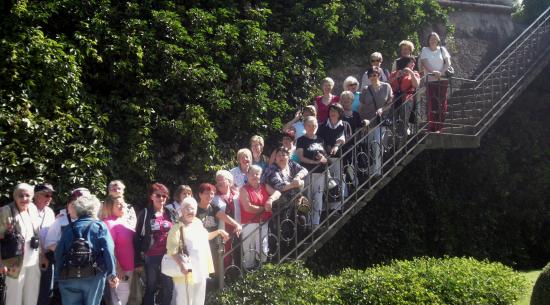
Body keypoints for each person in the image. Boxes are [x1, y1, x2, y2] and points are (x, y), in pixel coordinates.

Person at [54, 194, 119, 305]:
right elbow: (109, 250)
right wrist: (112, 273)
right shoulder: (99, 226)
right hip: (94, 276)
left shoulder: (68, 228)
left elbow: (59, 253)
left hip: (69, 276)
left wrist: (57, 275)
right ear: (95, 209)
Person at [166, 197, 221, 305]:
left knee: (199, 301)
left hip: (201, 269)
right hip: (186, 272)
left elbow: (206, 236)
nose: (191, 211)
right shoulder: (176, 228)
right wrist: (182, 266)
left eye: (193, 208)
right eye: (187, 208)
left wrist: (218, 231)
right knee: (184, 301)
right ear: (181, 210)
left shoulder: (197, 222)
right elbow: (172, 251)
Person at [134, 183, 176, 305]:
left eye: (164, 196)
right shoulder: (145, 213)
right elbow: (137, 238)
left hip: (168, 256)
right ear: (151, 197)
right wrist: (138, 262)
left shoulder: (170, 212)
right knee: (151, 287)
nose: (161, 198)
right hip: (151, 257)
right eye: (158, 195)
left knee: (168, 287)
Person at [0, 183, 41, 305]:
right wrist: (1, 263)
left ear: (32, 196)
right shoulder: (6, 211)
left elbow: (37, 235)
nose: (24, 199)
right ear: (14, 197)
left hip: (33, 262)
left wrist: (42, 256)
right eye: (20, 195)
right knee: (14, 299)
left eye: (27, 195)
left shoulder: (33, 209)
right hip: (13, 263)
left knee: (31, 298)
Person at [196, 183, 241, 283]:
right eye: (206, 193)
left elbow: (224, 216)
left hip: (214, 243)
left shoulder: (213, 207)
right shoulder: (194, 209)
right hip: (200, 244)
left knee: (217, 268)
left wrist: (236, 225)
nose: (210, 196)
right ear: (200, 195)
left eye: (212, 193)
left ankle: (217, 291)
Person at [239, 165, 281, 269]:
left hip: (263, 223)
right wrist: (264, 208)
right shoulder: (244, 189)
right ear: (247, 175)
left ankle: (261, 271)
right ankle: (248, 273)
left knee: (263, 249)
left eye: (257, 174)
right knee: (249, 250)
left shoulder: (264, 186)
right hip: (248, 223)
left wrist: (270, 200)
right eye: (252, 173)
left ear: (260, 176)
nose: (254, 176)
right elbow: (247, 207)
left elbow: (278, 193)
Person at [359, 66, 393, 177]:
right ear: (368, 77)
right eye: (371, 75)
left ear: (379, 75)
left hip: (380, 120)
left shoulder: (386, 87)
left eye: (375, 74)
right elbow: (362, 105)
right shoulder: (365, 89)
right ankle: (373, 167)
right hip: (369, 121)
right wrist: (363, 120)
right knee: (370, 146)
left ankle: (378, 170)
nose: (373, 77)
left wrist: (382, 109)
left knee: (378, 145)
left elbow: (390, 102)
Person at [102, 195, 136, 305]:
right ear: (110, 207)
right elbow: (108, 248)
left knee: (124, 298)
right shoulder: (109, 223)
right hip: (118, 269)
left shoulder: (124, 221)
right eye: (118, 204)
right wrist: (118, 268)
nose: (122, 205)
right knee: (118, 299)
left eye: (123, 203)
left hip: (129, 267)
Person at [296, 116, 328, 229]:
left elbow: (325, 156)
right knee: (307, 198)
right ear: (305, 126)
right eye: (309, 125)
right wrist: (314, 162)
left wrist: (323, 158)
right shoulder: (301, 140)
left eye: (314, 125)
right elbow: (301, 157)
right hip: (307, 172)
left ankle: (316, 223)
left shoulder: (320, 139)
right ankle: (307, 222)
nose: (312, 127)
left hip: (320, 173)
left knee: (318, 197)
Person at [419, 32, 452, 132]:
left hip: (442, 79)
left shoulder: (442, 49)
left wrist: (441, 73)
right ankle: (432, 126)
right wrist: (433, 72)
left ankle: (440, 127)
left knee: (442, 103)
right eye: (431, 38)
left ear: (438, 40)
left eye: (435, 38)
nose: (433, 40)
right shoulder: (425, 50)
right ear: (428, 40)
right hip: (431, 80)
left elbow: (448, 63)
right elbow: (425, 63)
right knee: (432, 103)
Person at [389, 56, 420, 146]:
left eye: (414, 63)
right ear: (405, 63)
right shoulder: (395, 73)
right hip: (395, 99)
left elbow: (416, 84)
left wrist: (410, 72)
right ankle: (394, 140)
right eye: (411, 62)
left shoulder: (415, 73)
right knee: (391, 120)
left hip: (407, 99)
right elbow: (388, 83)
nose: (413, 64)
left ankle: (400, 144)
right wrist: (397, 77)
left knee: (403, 120)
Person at [33, 183, 57, 305]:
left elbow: (52, 236)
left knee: (46, 291)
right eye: (46, 195)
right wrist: (41, 255)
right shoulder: (28, 210)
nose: (49, 198)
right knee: (30, 292)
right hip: (31, 258)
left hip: (47, 258)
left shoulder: (50, 212)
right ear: (36, 196)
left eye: (51, 195)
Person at [212, 170, 240, 267]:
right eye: (217, 180)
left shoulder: (237, 195)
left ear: (229, 181)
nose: (218, 182)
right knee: (225, 253)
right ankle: (226, 275)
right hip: (223, 229)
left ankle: (237, 272)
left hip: (238, 229)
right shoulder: (214, 198)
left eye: (221, 180)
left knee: (238, 251)